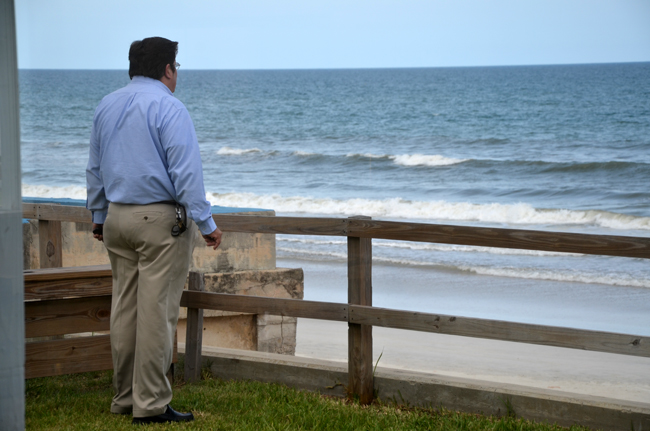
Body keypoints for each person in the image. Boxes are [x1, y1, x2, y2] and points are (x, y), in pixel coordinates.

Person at [86, 37, 222, 425]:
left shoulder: (106, 105)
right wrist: (207, 223)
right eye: (176, 67)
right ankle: (152, 404)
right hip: (159, 222)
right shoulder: (169, 107)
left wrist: (98, 216)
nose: (176, 74)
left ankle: (125, 397)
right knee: (157, 313)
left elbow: (94, 169)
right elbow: (186, 175)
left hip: (116, 218)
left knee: (124, 309)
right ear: (167, 69)